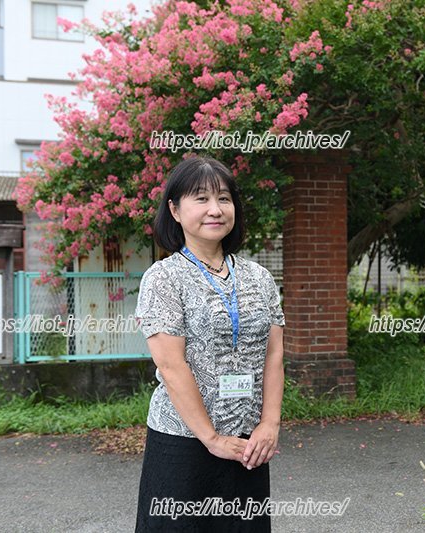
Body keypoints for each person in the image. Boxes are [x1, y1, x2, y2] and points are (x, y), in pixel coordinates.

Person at [134, 155, 285, 532]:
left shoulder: (259, 277)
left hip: (248, 443)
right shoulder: (163, 278)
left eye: (224, 198)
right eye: (200, 198)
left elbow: (274, 355)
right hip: (184, 443)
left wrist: (269, 424)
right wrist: (212, 438)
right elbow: (171, 366)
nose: (215, 209)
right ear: (175, 209)